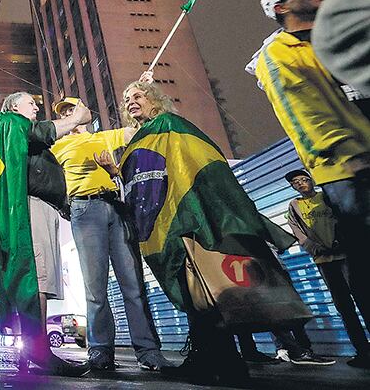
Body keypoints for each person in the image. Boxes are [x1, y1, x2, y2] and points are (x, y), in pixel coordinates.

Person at [103, 80, 303, 386]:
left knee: (203, 291)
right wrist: (117, 172)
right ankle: (213, 359)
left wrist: (196, 212)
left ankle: (219, 361)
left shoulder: (170, 126)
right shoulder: (142, 139)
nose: (131, 101)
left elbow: (195, 164)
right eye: (127, 98)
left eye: (138, 96)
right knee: (195, 293)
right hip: (162, 224)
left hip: (185, 219)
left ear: (154, 99)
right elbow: (143, 177)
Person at [253, 0, 370, 346]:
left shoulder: (326, 40)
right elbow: (301, 115)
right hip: (345, 166)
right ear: (282, 7)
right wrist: (343, 154)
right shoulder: (278, 54)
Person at [49, 97, 171, 372]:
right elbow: (45, 177)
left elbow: (140, 130)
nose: (69, 114)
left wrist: (144, 100)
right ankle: (101, 350)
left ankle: (149, 351)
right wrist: (62, 204)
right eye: (65, 112)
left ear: (87, 113)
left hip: (117, 208)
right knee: (95, 287)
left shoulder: (106, 137)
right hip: (84, 209)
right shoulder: (58, 145)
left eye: (73, 109)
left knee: (133, 284)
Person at [0, 92, 91, 376]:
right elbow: (44, 130)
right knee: (37, 277)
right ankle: (37, 346)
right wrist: (76, 118)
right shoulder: (12, 124)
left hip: (42, 209)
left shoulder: (22, 135)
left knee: (41, 278)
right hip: (29, 208)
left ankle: (34, 344)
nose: (36, 107)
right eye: (30, 104)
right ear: (13, 107)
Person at [285, 169, 370, 368]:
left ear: (312, 180)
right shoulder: (294, 205)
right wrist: (315, 248)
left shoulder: (327, 196)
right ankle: (363, 351)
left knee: (364, 299)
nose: (300, 183)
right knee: (344, 307)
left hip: (346, 256)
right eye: (295, 182)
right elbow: (298, 233)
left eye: (304, 179)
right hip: (324, 261)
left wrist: (345, 240)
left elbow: (345, 216)